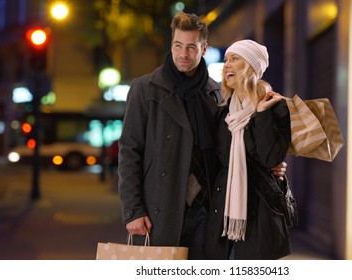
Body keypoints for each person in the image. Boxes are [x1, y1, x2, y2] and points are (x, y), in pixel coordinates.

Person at [117, 12, 287, 260]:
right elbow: (129, 150)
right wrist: (132, 210)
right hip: (159, 207)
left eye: (190, 47)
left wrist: (270, 166)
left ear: (204, 48)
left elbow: (234, 147)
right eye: (177, 45)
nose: (183, 54)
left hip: (208, 210)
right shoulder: (145, 89)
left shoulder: (217, 93)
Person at [205, 39, 293, 260]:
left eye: (235, 59)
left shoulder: (276, 107)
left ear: (251, 66)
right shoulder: (223, 112)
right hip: (224, 216)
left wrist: (262, 113)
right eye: (226, 60)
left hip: (259, 215)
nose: (227, 65)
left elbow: (271, 157)